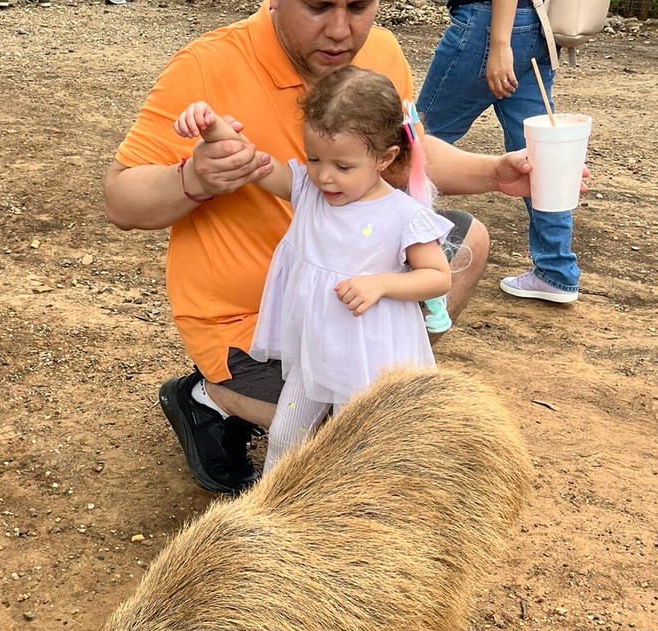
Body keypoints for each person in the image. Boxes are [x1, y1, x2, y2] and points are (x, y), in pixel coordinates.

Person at [104, 0, 538, 494]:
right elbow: (121, 202)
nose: (340, 30)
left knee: (464, 246)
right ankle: (211, 396)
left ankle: (358, 383)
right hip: (250, 320)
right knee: (349, 436)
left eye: (358, 7)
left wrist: (492, 173)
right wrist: (195, 175)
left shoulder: (382, 52)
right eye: (317, 6)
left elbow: (407, 157)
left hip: (352, 292)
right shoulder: (208, 65)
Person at [174, 69, 453, 470]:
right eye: (314, 158)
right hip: (313, 348)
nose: (324, 175)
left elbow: (438, 277)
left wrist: (382, 284)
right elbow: (252, 162)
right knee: (287, 434)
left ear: (385, 159)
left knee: (353, 445)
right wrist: (212, 126)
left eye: (342, 166)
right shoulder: (308, 189)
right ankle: (273, 505)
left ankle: (344, 516)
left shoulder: (401, 215)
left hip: (369, 359)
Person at [417, 0, 580, 304]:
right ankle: (556, 270)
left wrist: (500, 42)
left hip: (489, 26)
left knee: (413, 143)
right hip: (537, 27)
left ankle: (387, 251)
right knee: (538, 154)